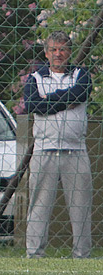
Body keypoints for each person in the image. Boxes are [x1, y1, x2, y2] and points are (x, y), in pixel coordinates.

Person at [23, 31, 93, 259]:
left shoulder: (82, 75)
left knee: (81, 207)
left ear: (69, 52)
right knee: (39, 205)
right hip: (44, 151)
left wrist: (50, 100)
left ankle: (82, 255)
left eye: (62, 49)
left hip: (76, 150)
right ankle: (34, 254)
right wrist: (66, 101)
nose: (58, 54)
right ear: (46, 53)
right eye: (53, 49)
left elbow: (80, 93)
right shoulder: (35, 78)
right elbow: (35, 105)